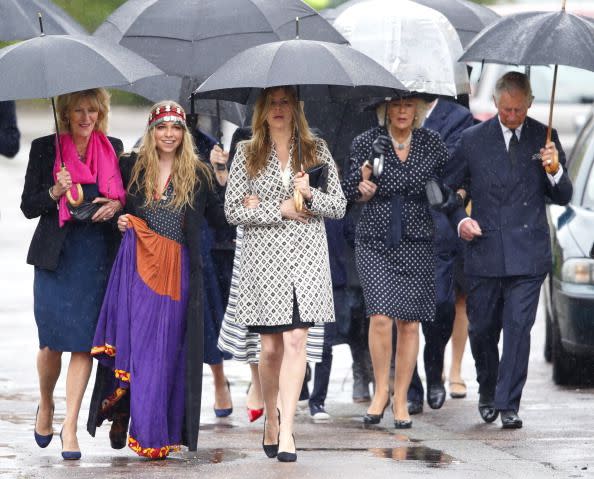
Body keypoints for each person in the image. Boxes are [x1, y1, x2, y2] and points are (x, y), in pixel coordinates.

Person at [90, 101, 225, 458]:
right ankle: (139, 426)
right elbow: (111, 200)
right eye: (162, 127)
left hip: (178, 271)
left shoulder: (199, 174)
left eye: (176, 128)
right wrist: (119, 218)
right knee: (144, 349)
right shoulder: (131, 165)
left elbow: (222, 219)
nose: (169, 134)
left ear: (184, 134)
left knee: (168, 353)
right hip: (137, 267)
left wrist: (226, 179)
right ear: (152, 131)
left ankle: (155, 427)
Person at [225, 86, 346, 462]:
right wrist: (278, 209)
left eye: (285, 103)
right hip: (265, 266)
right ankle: (271, 420)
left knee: (296, 342)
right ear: (262, 110)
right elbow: (232, 210)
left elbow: (339, 206)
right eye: (272, 103)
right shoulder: (247, 152)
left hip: (307, 261)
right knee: (271, 348)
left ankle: (289, 429)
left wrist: (310, 196)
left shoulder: (316, 149)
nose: (278, 109)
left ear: (296, 109)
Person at [446, 72, 573, 428]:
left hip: (527, 254)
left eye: (518, 109)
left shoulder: (545, 138)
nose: (512, 116)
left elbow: (563, 196)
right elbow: (447, 189)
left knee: (519, 327)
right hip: (484, 250)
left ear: (529, 104)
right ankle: (488, 389)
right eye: (505, 110)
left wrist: (554, 169)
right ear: (497, 105)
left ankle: (508, 403)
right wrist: (460, 220)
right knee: (483, 329)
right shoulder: (472, 140)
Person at [20, 88, 125, 460]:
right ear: (66, 113)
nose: (85, 118)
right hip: (57, 257)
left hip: (95, 256)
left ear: (100, 114)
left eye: (92, 111)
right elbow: (28, 206)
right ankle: (46, 404)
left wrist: (114, 203)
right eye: (78, 111)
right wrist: (55, 190)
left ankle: (70, 426)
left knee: (84, 343)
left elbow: (124, 194)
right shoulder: (46, 148)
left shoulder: (112, 146)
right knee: (51, 345)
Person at [343, 93, 449, 429]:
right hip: (375, 238)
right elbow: (347, 190)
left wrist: (447, 195)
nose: (402, 111)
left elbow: (450, 184)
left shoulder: (432, 142)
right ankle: (381, 392)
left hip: (417, 238)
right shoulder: (367, 143)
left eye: (408, 106)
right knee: (380, 317)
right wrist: (361, 185)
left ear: (417, 110)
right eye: (396, 105)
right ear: (385, 109)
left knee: (409, 322)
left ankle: (401, 398)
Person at [407, 97, 475, 414]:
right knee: (400, 315)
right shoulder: (389, 109)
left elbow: (455, 168)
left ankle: (435, 370)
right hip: (398, 229)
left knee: (441, 306)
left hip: (438, 226)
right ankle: (411, 387)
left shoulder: (459, 117)